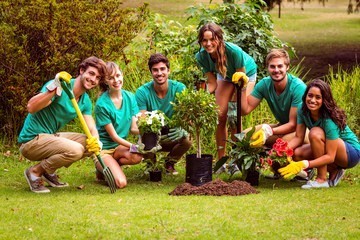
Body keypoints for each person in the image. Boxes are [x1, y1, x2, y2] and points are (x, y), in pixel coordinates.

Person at [18, 56, 107, 193]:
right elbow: (31, 107)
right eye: (91, 73)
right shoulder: (61, 85)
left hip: (50, 137)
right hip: (32, 141)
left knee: (89, 144)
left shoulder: (85, 100)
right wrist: (54, 87)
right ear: (82, 70)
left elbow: (91, 127)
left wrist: (96, 141)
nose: (93, 79)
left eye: (98, 77)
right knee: (76, 149)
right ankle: (34, 172)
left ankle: (48, 170)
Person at [239, 48, 309, 179]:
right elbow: (245, 110)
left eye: (280, 66)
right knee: (243, 137)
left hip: (304, 130)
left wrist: (268, 131)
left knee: (280, 145)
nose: (276, 70)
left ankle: (303, 170)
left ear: (287, 67)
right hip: (283, 126)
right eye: (272, 66)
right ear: (267, 68)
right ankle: (256, 171)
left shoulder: (297, 87)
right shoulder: (265, 84)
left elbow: (293, 125)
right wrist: (243, 88)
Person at [278, 79, 360, 189]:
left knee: (315, 133)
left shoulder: (328, 120)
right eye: (310, 95)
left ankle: (321, 179)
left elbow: (330, 156)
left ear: (324, 100)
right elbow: (298, 138)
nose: (312, 100)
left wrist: (306, 164)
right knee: (297, 153)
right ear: (305, 95)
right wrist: (281, 152)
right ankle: (334, 169)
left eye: (318, 97)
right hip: (332, 149)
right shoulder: (302, 110)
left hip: (350, 153)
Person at [195, 22, 257, 161]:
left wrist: (233, 103)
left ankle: (237, 158)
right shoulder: (201, 57)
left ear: (220, 39)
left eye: (212, 39)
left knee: (234, 116)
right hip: (224, 76)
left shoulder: (234, 52)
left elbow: (241, 80)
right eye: (204, 40)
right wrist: (202, 98)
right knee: (220, 116)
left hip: (244, 76)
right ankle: (221, 160)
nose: (208, 43)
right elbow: (212, 83)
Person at [135, 53, 192, 175]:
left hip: (172, 135)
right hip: (152, 135)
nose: (159, 73)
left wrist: (182, 128)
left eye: (162, 69)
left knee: (187, 139)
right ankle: (152, 164)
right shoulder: (142, 92)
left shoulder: (179, 88)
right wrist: (154, 131)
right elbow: (142, 120)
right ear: (151, 72)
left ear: (168, 70)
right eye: (155, 70)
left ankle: (169, 163)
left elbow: (187, 117)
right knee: (146, 137)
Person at [94, 62, 143, 188]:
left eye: (117, 75)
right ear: (105, 81)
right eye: (110, 78)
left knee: (137, 157)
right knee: (121, 183)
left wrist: (150, 132)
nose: (116, 80)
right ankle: (101, 166)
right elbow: (114, 137)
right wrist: (134, 146)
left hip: (118, 147)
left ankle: (111, 167)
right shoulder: (102, 105)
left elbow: (133, 128)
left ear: (122, 75)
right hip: (104, 150)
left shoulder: (130, 97)